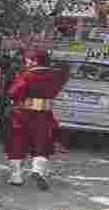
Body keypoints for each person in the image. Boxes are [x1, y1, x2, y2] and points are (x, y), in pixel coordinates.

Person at [4, 48, 69, 189]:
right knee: (42, 143)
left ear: (34, 60)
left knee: (17, 143)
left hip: (23, 114)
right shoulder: (56, 76)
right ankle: (37, 170)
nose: (26, 62)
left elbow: (13, 93)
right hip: (44, 114)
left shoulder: (27, 75)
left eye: (28, 59)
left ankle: (16, 176)